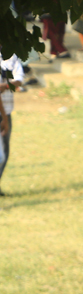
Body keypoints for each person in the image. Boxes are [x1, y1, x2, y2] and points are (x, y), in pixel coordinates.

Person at [0, 51, 23, 196]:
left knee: (4, 152)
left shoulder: (11, 56)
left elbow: (19, 80)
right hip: (4, 114)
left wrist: (5, 86)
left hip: (6, 110)